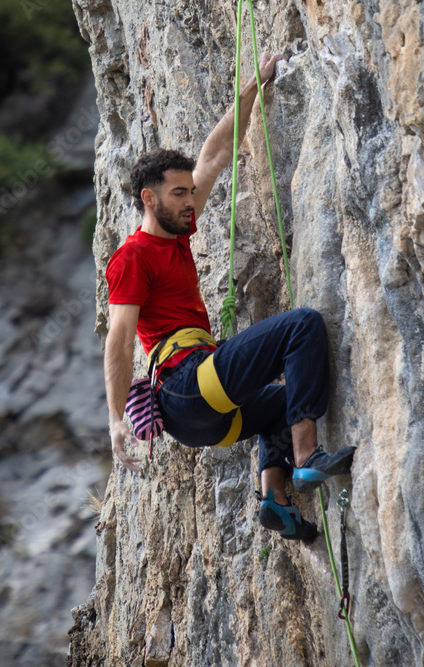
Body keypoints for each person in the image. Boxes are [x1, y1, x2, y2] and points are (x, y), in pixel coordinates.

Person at [103, 51, 355, 541]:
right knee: (302, 325)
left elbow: (215, 155)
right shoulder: (133, 256)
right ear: (148, 199)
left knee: (290, 399)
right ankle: (306, 458)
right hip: (186, 385)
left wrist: (254, 85)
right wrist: (115, 419)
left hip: (203, 419)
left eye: (190, 193)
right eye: (179, 194)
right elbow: (119, 337)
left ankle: (276, 501)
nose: (190, 202)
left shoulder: (176, 235)